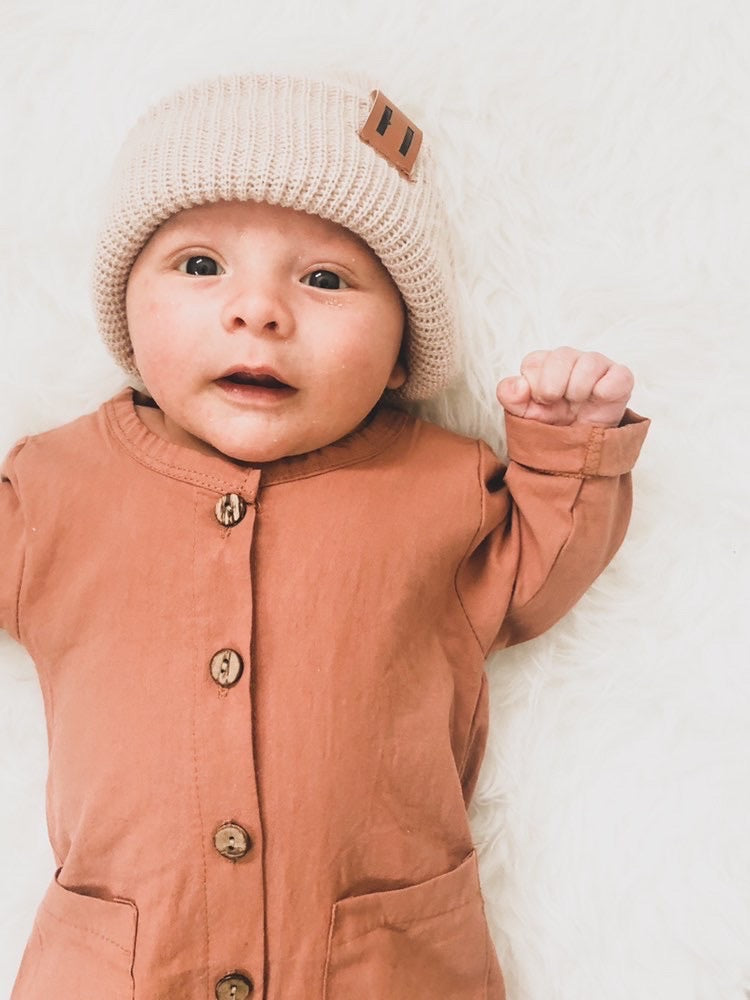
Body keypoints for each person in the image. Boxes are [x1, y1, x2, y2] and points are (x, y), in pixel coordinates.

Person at [1, 73, 649, 999]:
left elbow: (542, 571)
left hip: (382, 964)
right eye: (198, 266)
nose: (257, 310)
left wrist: (568, 447)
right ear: (126, 310)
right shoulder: (55, 483)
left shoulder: (442, 486)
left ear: (399, 357)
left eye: (324, 278)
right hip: (125, 962)